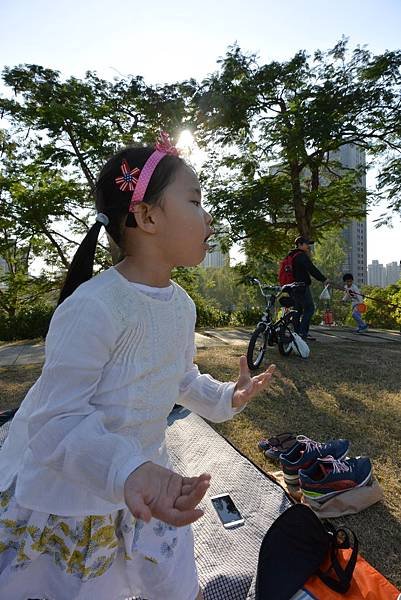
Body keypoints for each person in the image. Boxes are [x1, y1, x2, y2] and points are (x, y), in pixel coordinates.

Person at [0, 133, 275, 600]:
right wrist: (126, 471)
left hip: (149, 482)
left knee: (173, 585)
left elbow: (178, 375)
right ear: (147, 216)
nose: (209, 217)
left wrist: (226, 396)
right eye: (194, 200)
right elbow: (56, 420)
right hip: (83, 491)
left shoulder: (182, 305)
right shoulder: (96, 306)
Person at [288, 236, 329, 341]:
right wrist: (323, 279)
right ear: (300, 244)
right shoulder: (301, 256)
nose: (308, 246)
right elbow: (311, 269)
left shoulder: (292, 255)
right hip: (301, 287)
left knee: (297, 310)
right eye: (306, 244)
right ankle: (302, 333)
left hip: (292, 287)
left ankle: (296, 334)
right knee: (310, 309)